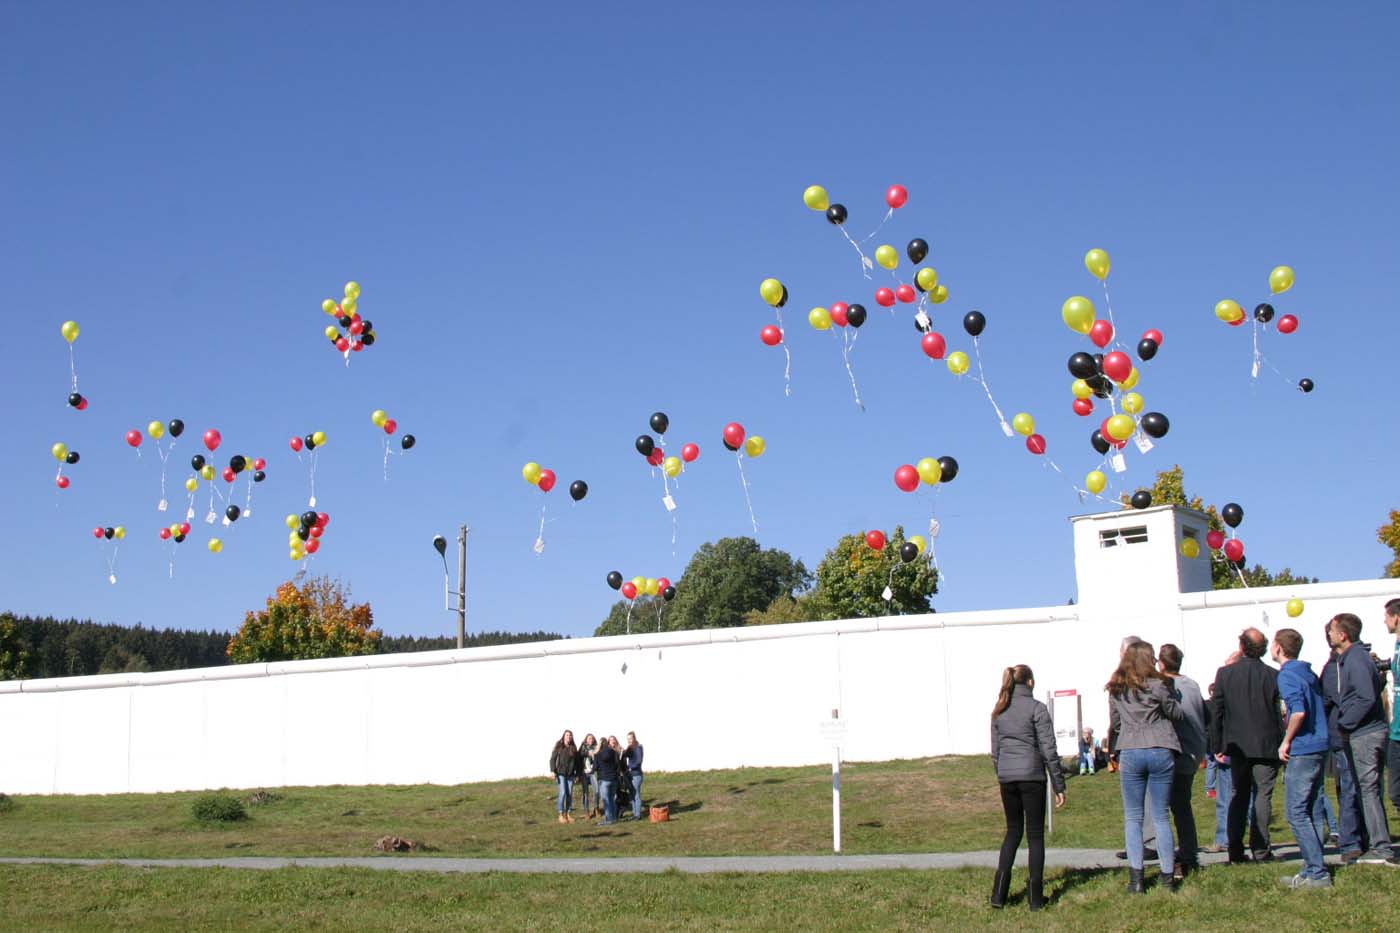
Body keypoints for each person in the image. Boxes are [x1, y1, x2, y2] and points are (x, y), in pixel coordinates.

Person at [988, 665, 1065, 911]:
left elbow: (995, 752)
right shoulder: (1037, 709)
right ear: (1030, 682)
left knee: (1012, 832)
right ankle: (1035, 897)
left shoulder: (999, 710)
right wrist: (1058, 783)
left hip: (1007, 777)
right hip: (1032, 776)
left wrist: (1002, 772)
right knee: (1035, 836)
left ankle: (998, 894)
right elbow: (1048, 749)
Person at [1108, 640, 1182, 893]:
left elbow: (1115, 723)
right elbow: (1176, 713)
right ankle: (1167, 876)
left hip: (1130, 747)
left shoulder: (1117, 688)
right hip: (1160, 746)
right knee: (1161, 816)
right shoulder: (1159, 685)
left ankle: (1136, 879)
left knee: (1133, 817)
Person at [1327, 612, 1396, 865]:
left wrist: (1345, 722)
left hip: (1364, 734)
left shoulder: (1355, 659)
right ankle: (1376, 843)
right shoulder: (1355, 658)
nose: (1330, 634)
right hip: (1367, 731)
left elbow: (1366, 696)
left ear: (1343, 634)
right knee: (1368, 789)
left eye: (1333, 630)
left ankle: (1381, 847)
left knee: (1368, 790)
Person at [1210, 628, 1281, 864]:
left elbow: (1217, 711)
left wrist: (1217, 744)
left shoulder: (1226, 674)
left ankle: (1236, 850)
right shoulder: (1271, 675)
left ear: (1242, 646)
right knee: (1262, 796)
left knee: (1239, 796)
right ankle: (1260, 849)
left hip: (1238, 744)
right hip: (1266, 743)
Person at [1272, 628, 1332, 889]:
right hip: (1320, 744)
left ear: (1278, 648)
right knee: (1313, 809)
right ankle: (1312, 868)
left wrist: (1286, 740)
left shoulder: (1286, 675)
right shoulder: (1307, 672)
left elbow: (1298, 711)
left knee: (1296, 812)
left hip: (1304, 748)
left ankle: (1317, 873)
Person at [1158, 644, 1206, 877]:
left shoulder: (1168, 688)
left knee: (1173, 807)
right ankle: (1187, 851)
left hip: (1178, 751)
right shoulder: (1193, 685)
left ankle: (1184, 855)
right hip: (1195, 749)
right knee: (1182, 805)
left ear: (1162, 664)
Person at [1321, 625, 1368, 862]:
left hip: (1346, 732)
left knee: (1352, 788)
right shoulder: (1335, 666)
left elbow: (1335, 698)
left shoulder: (1343, 665)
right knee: (1351, 787)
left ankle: (1352, 840)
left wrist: (1344, 723)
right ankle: (1356, 837)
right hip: (1343, 734)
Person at [1384, 599, 1400, 816]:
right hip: (1396, 731)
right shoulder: (1397, 647)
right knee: (1395, 792)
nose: (1384, 621)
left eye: (1386, 616)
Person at [549, 730, 579, 823]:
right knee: (562, 793)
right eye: (567, 735)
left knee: (569, 794)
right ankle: (561, 814)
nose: (569, 737)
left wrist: (577, 774)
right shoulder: (559, 746)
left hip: (570, 775)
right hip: (560, 773)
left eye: (570, 735)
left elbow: (577, 763)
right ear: (564, 736)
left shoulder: (573, 748)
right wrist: (553, 771)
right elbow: (552, 759)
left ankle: (568, 814)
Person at [595, 734, 621, 825]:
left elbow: (595, 767)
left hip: (604, 779)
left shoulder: (598, 754)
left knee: (606, 801)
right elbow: (618, 765)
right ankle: (614, 818)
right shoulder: (614, 752)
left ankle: (608, 820)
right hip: (614, 779)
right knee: (611, 799)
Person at [624, 731, 645, 820]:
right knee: (632, 795)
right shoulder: (630, 748)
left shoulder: (638, 747)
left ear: (634, 738)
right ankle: (634, 813)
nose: (629, 740)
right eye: (628, 739)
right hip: (630, 775)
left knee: (636, 794)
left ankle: (638, 814)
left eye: (631, 738)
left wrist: (629, 767)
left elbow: (639, 761)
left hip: (636, 774)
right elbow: (624, 756)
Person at [578, 733, 600, 819]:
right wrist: (588, 753)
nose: (591, 740)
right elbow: (579, 755)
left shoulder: (597, 747)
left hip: (593, 772)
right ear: (586, 740)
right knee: (585, 793)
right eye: (589, 738)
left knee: (597, 791)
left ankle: (596, 808)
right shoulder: (582, 747)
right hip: (584, 773)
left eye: (592, 738)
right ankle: (586, 811)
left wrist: (594, 753)